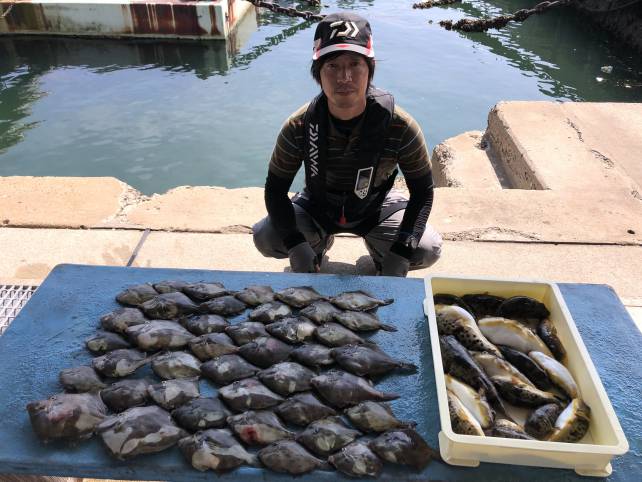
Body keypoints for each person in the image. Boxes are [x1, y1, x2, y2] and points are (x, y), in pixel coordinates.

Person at [253, 12, 442, 277]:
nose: (344, 77)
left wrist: (403, 248)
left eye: (355, 64)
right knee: (266, 236)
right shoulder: (298, 125)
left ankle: (381, 252)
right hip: (318, 204)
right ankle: (316, 245)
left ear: (369, 70)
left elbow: (423, 193)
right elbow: (275, 190)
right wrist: (295, 244)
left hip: (376, 205)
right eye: (332, 66)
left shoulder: (400, 125)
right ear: (318, 73)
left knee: (426, 248)